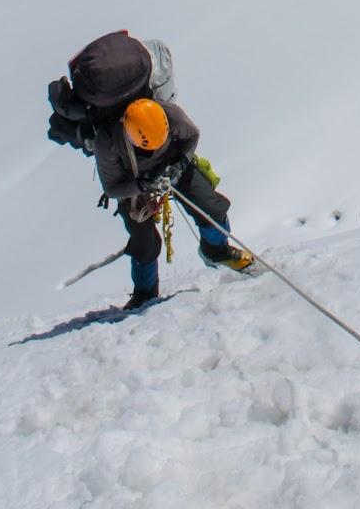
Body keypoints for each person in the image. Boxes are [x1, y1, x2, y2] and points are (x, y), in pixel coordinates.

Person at [47, 31, 252, 308]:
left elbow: (190, 136)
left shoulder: (166, 112)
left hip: (171, 164)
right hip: (135, 180)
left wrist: (179, 164)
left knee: (212, 207)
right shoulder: (109, 142)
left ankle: (216, 250)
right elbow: (113, 186)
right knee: (145, 242)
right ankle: (145, 294)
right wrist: (143, 186)